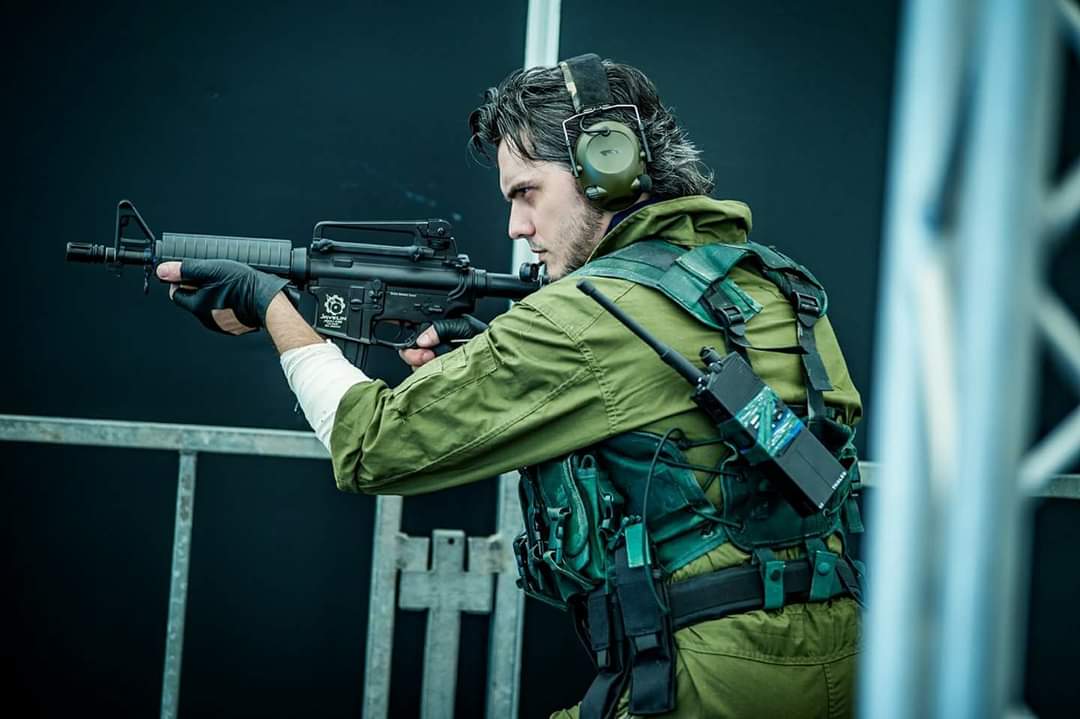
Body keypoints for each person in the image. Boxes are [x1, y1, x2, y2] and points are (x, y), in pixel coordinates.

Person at [156, 54, 865, 719]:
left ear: (607, 165)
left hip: (703, 685)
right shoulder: (777, 284)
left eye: (527, 192)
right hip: (848, 662)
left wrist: (271, 306)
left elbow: (372, 444)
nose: (517, 226)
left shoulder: (585, 314)